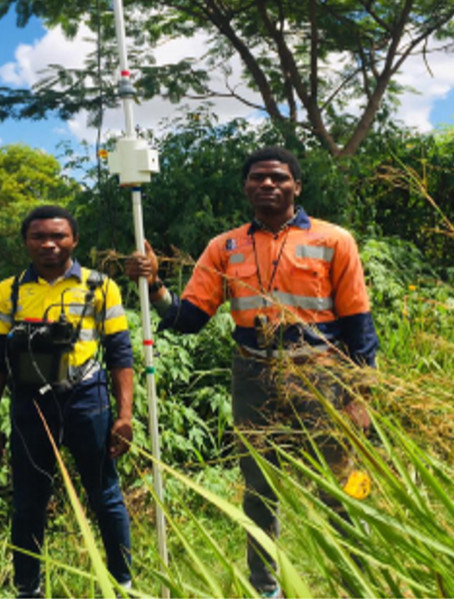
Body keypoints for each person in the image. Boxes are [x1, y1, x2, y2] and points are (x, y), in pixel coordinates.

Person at [125, 146, 378, 597]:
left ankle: (355, 581)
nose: (267, 184)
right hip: (253, 378)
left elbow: (360, 324)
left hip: (321, 376)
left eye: (278, 178)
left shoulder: (334, 240)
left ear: (296, 186)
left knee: (339, 482)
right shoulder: (224, 247)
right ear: (245, 187)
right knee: (259, 488)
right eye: (257, 178)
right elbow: (189, 320)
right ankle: (266, 590)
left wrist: (361, 395)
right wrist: (156, 285)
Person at [0, 205, 135, 597]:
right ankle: (27, 589)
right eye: (38, 237)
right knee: (29, 502)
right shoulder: (9, 291)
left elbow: (120, 353)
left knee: (105, 496)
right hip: (30, 405)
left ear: (74, 240)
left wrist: (125, 414)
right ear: (26, 242)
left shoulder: (100, 286)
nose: (49, 244)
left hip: (87, 400)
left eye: (59, 236)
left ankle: (123, 585)